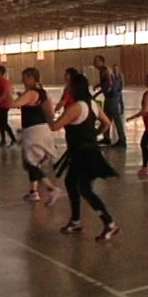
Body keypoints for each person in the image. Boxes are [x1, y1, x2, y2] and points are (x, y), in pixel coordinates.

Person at [49, 73, 120, 240]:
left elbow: (55, 126)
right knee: (71, 182)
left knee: (85, 189)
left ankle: (110, 223)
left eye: (69, 86)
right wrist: (93, 135)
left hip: (83, 154)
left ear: (74, 88)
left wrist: (46, 112)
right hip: (87, 151)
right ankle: (75, 221)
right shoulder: (93, 105)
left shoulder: (76, 107)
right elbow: (107, 123)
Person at [12, 68, 62, 205]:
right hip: (41, 129)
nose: (22, 81)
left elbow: (14, 104)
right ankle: (33, 192)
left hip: (34, 132)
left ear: (32, 78)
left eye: (24, 78)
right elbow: (49, 113)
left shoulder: (31, 93)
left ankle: (51, 188)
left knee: (30, 162)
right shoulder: (43, 93)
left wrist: (8, 96)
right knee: (33, 161)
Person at [93, 55, 126, 147]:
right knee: (106, 118)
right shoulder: (102, 71)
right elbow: (105, 83)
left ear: (101, 62)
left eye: (96, 61)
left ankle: (122, 140)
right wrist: (99, 86)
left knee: (116, 119)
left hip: (112, 97)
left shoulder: (105, 70)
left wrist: (98, 93)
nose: (94, 63)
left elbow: (109, 84)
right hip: (108, 97)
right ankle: (106, 138)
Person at [0, 65, 17, 147]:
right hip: (1, 105)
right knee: (0, 122)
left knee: (3, 122)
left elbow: (6, 92)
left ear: (0, 72)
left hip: (4, 105)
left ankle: (13, 139)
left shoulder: (3, 81)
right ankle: (3, 139)